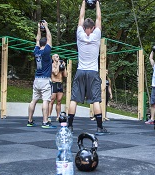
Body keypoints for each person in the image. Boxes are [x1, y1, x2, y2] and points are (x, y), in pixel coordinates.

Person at [67, 0, 108, 134]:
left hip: (80, 71)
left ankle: (69, 126)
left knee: (74, 99)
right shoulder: (96, 35)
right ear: (93, 28)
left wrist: (84, 2)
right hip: (93, 72)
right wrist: (96, 3)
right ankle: (99, 127)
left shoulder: (80, 34)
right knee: (95, 100)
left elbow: (81, 17)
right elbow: (99, 18)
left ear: (84, 28)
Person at [27, 20, 56, 129]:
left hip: (37, 79)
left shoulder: (36, 51)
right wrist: (46, 27)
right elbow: (49, 38)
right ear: (46, 44)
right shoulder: (46, 52)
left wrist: (39, 28)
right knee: (46, 100)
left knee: (33, 100)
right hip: (45, 80)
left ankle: (30, 120)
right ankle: (45, 122)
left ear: (39, 44)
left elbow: (37, 39)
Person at [48, 54, 68, 122]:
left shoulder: (61, 66)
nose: (58, 58)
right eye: (56, 56)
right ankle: (49, 116)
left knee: (59, 101)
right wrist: (59, 65)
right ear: (53, 58)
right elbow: (56, 73)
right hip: (54, 83)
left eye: (58, 56)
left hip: (60, 84)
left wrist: (64, 67)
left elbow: (65, 75)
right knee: (52, 100)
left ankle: (58, 116)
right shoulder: (51, 65)